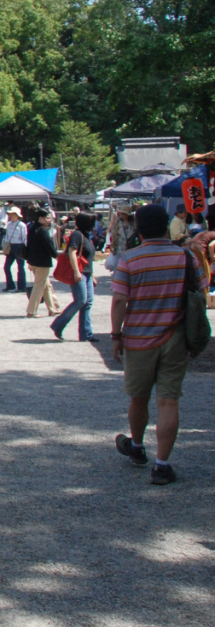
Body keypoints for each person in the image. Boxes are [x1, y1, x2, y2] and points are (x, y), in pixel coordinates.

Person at [111, 204, 204, 485]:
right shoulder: (186, 257)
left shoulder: (129, 259)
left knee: (138, 397)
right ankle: (162, 465)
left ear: (138, 229)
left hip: (138, 338)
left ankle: (137, 447)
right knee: (168, 401)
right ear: (166, 225)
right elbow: (200, 293)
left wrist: (116, 335)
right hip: (175, 337)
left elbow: (119, 301)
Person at [51, 212, 96, 342]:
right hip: (80, 272)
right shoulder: (77, 235)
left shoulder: (86, 235)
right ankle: (58, 324)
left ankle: (86, 334)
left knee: (87, 303)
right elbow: (72, 251)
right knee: (80, 300)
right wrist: (76, 271)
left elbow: (88, 258)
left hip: (87, 273)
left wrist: (92, 275)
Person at [25, 207, 60, 317]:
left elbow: (28, 246)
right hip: (42, 262)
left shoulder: (31, 229)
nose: (49, 220)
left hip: (33, 261)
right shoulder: (43, 231)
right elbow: (49, 246)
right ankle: (31, 311)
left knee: (46, 285)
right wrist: (57, 256)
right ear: (41, 218)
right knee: (39, 286)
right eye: (48, 218)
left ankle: (53, 308)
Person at [1, 206, 28, 293]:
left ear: (17, 215)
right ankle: (10, 285)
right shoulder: (8, 224)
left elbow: (25, 238)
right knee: (6, 267)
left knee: (20, 267)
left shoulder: (22, 225)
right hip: (11, 246)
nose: (11, 216)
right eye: (10, 214)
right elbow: (7, 236)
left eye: (12, 214)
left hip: (19, 247)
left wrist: (26, 249)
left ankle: (21, 287)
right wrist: (5, 246)